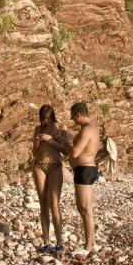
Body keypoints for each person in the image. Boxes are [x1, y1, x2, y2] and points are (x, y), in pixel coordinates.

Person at [39, 101, 100, 256]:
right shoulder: (90, 129)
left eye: (73, 116)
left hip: (84, 170)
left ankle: (87, 247)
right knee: (86, 208)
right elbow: (71, 151)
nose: (72, 119)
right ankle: (92, 243)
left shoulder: (87, 130)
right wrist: (60, 143)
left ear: (78, 115)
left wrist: (58, 142)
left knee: (84, 208)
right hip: (86, 169)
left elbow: (74, 153)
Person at [32, 104, 69, 253]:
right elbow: (35, 152)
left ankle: (60, 242)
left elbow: (66, 151)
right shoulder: (37, 129)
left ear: (52, 117)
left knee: (54, 204)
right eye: (42, 118)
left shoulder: (61, 129)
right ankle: (46, 242)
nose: (44, 121)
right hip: (39, 165)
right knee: (43, 204)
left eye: (47, 118)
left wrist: (51, 140)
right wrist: (37, 142)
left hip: (55, 167)